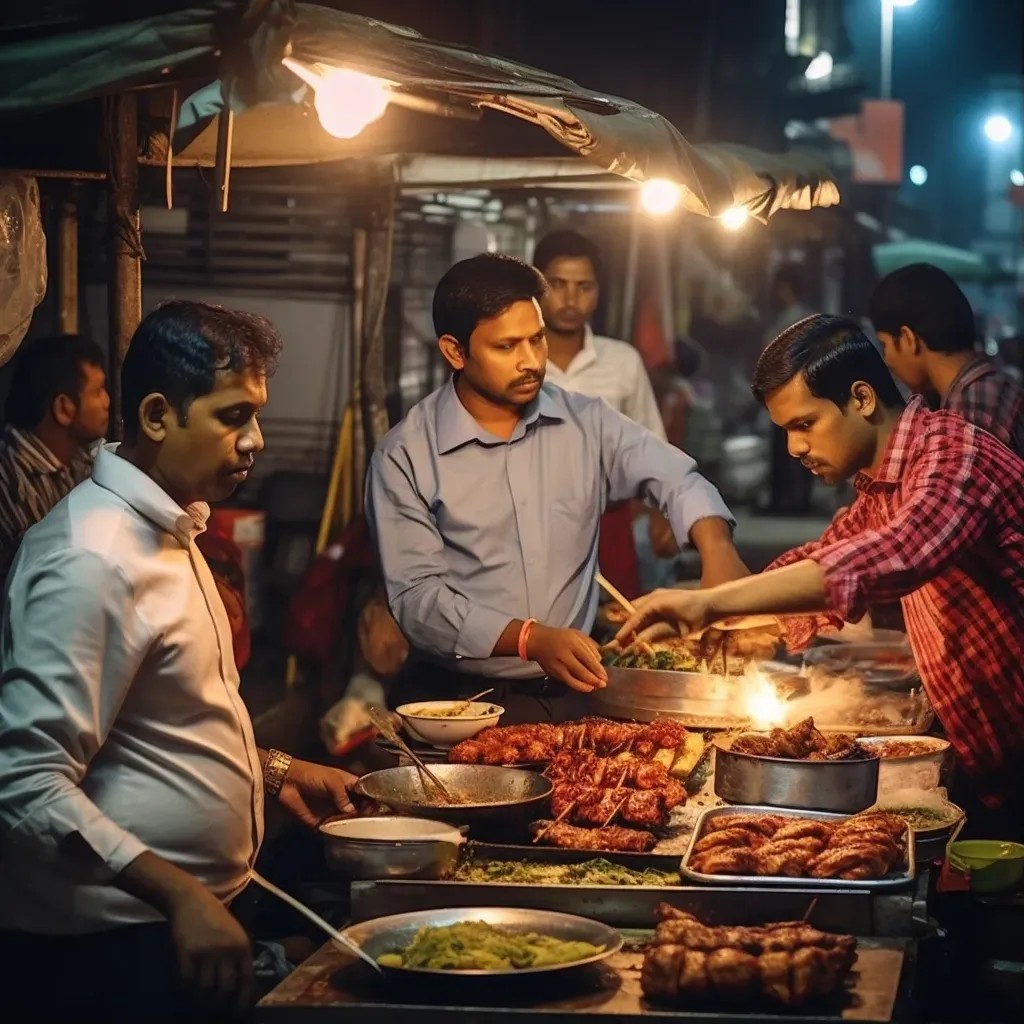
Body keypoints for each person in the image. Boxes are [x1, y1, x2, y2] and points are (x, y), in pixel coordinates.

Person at [0, 301, 359, 1022]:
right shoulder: (91, 558)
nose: (255, 439)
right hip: (109, 947)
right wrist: (179, 892)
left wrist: (274, 769)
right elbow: (25, 780)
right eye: (233, 417)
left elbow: (163, 719)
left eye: (256, 414)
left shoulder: (170, 526)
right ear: (159, 415)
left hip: (184, 920)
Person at [615, 314, 1024, 839]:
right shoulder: (882, 489)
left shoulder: (954, 457)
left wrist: (709, 605)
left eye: (803, 424)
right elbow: (825, 557)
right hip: (989, 757)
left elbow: (893, 557)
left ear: (862, 398)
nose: (793, 449)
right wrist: (742, 619)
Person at [367, 253, 748, 724]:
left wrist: (717, 551)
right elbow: (418, 600)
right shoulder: (404, 455)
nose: (531, 362)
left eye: (537, 339)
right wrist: (529, 638)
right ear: (454, 351)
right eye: (507, 347)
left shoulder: (586, 421)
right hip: (454, 702)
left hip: (571, 696)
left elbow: (675, 476)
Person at [533, 229, 673, 598]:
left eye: (584, 286)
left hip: (608, 526)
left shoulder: (622, 361)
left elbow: (651, 446)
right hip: (529, 529)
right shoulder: (514, 361)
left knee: (615, 634)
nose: (570, 298)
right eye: (557, 284)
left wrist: (662, 513)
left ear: (598, 291)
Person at [869, 261, 1024, 455]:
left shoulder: (967, 414)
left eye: (885, 346)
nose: (888, 360)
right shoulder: (996, 387)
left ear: (908, 339)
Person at [0, 333, 109, 591]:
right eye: (97, 391)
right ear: (63, 408)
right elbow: (49, 574)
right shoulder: (10, 476)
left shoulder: (79, 462)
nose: (107, 401)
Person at [762, 263, 815, 514]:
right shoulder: (803, 316)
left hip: (788, 394)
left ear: (786, 287)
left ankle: (789, 502)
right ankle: (793, 500)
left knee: (787, 450)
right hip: (794, 394)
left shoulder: (794, 319)